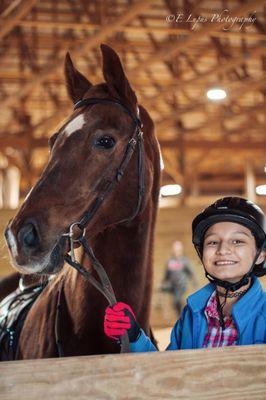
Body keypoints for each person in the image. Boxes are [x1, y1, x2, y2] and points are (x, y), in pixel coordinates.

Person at [104, 197, 266, 350]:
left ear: (260, 255)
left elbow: (190, 274)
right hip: (174, 288)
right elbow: (168, 369)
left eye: (237, 241)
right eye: (213, 242)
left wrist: (193, 283)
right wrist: (134, 336)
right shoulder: (191, 313)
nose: (222, 250)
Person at [161, 240, 197, 315]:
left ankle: (182, 314)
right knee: (162, 289)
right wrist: (163, 282)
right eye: (175, 249)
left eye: (178, 250)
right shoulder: (170, 261)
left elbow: (192, 273)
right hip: (172, 285)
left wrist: (194, 283)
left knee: (177, 300)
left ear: (181, 250)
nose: (176, 251)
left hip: (181, 285)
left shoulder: (185, 261)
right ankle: (160, 305)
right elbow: (166, 274)